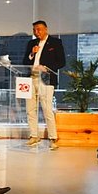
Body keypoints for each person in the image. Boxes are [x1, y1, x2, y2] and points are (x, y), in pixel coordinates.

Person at [23, 20, 65, 149]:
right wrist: (32, 53)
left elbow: (61, 62)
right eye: (34, 30)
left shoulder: (55, 43)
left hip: (46, 79)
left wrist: (46, 67)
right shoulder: (32, 43)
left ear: (46, 29)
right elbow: (25, 61)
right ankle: (34, 135)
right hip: (31, 78)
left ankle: (53, 138)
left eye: (39, 29)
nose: (37, 32)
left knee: (47, 109)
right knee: (30, 109)